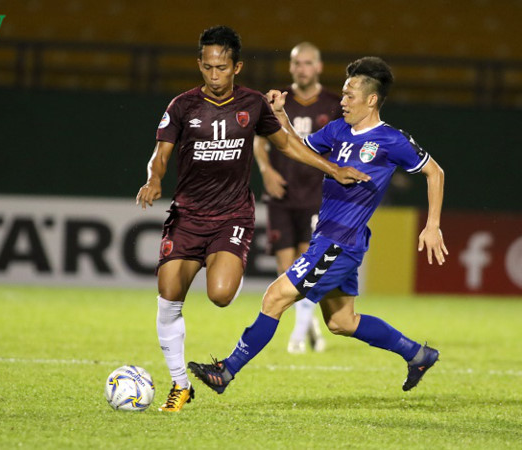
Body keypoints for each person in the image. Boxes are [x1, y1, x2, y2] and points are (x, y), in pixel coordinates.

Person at [135, 26, 369, 412]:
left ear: (236, 67)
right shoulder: (182, 106)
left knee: (221, 295)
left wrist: (332, 169)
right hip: (188, 215)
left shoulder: (254, 104)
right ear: (200, 64)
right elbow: (160, 154)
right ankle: (179, 385)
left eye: (221, 68)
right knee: (168, 296)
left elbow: (290, 145)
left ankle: (228, 263)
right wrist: (153, 179)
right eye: (207, 67)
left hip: (232, 216)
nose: (213, 76)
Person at [188, 56, 448, 397]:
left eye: (350, 94)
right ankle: (419, 355)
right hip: (330, 237)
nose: (342, 101)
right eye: (342, 93)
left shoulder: (390, 140)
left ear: (371, 99)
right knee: (342, 322)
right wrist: (281, 116)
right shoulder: (338, 129)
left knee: (274, 297)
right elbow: (298, 148)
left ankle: (227, 371)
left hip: (341, 241)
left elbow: (435, 172)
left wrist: (432, 226)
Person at [253, 42, 342, 354]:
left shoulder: (333, 103)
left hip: (316, 197)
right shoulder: (277, 100)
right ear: (290, 67)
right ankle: (309, 324)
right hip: (281, 195)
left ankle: (301, 331)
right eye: (296, 63)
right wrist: (265, 170)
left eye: (307, 63)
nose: (302, 68)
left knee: (308, 267)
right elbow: (260, 142)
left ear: (318, 67)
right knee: (285, 270)